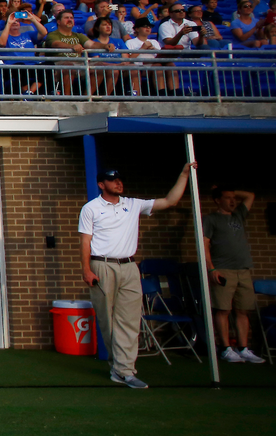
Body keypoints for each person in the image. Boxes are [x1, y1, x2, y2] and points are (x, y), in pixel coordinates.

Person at [79, 163, 197, 390]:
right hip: (102, 265)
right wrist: (86, 270)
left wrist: (183, 174)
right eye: (113, 180)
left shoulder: (133, 205)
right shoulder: (91, 208)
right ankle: (119, 368)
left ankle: (125, 371)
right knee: (107, 320)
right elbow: (85, 241)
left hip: (130, 266)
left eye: (120, 179)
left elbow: (169, 201)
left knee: (130, 320)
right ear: (101, 185)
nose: (118, 183)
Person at [201, 186, 264, 364]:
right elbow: (205, 244)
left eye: (233, 198)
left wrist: (229, 190)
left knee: (242, 309)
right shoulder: (211, 219)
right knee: (223, 309)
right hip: (223, 269)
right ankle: (226, 349)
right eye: (227, 198)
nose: (232, 201)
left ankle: (243, 348)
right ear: (217, 200)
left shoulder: (238, 215)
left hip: (243, 269)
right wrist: (212, 268)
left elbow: (250, 194)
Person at [44, 10, 89, 96]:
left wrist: (105, 46)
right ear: (59, 22)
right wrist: (71, 46)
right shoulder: (52, 35)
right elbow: (56, 44)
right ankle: (67, 98)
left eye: (71, 18)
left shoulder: (79, 35)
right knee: (68, 66)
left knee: (100, 65)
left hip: (79, 64)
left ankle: (88, 98)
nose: (70, 19)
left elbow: (91, 44)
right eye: (66, 18)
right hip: (59, 64)